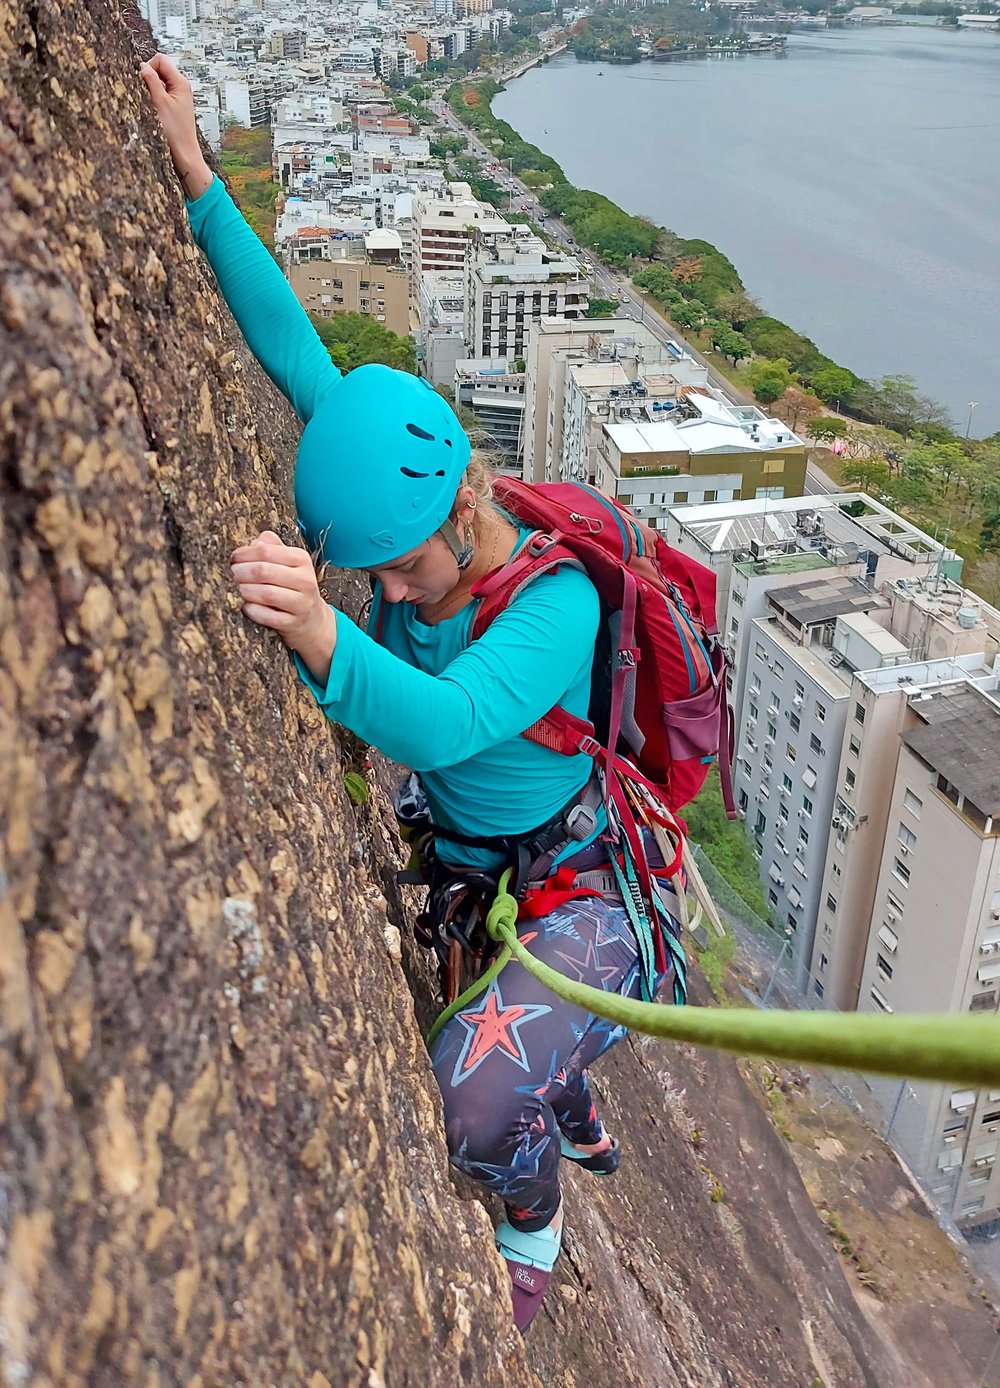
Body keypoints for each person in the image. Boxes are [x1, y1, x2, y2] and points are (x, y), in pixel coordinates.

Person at [140, 55, 678, 1333]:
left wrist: (317, 624)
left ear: (457, 512)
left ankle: (533, 1219)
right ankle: (565, 1088)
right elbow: (294, 345)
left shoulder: (553, 605)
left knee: (473, 1099)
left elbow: (439, 722)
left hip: (582, 885)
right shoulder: (407, 488)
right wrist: (198, 174)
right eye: (366, 573)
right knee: (503, 1042)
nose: (382, 587)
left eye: (393, 567)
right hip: (477, 856)